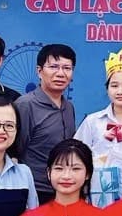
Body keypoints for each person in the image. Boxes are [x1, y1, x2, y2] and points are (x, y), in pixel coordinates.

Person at [74, 45, 122, 207]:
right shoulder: (92, 121)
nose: (120, 91)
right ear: (107, 89)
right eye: (114, 85)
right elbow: (76, 156)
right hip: (95, 198)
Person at [14, 44, 77, 205]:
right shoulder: (25, 105)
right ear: (39, 71)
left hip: (64, 190)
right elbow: (14, 151)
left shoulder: (69, 107)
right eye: (53, 67)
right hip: (34, 191)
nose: (60, 73)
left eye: (67, 68)